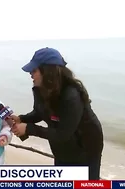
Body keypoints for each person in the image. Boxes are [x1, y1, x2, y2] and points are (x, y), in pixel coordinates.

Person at [11, 47, 104, 180]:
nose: (30, 74)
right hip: (62, 146)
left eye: (34, 70)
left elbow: (63, 133)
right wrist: (21, 119)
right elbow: (40, 113)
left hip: (85, 146)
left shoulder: (71, 95)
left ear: (47, 71)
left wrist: (28, 128)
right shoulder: (40, 89)